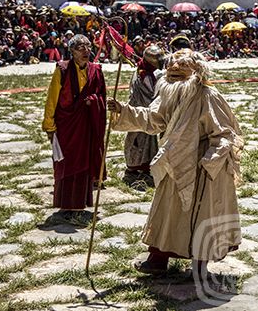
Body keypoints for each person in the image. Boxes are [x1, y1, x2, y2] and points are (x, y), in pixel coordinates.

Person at [108, 48, 243, 279]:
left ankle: (200, 264)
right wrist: (123, 111)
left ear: (196, 71)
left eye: (181, 66)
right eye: (172, 65)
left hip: (203, 163)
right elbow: (153, 120)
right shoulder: (169, 93)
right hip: (175, 158)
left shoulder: (208, 96)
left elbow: (225, 134)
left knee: (202, 213)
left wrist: (209, 161)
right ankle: (158, 258)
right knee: (167, 209)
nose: (173, 69)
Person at [42, 34, 107, 224]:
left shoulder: (96, 70)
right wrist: (49, 124)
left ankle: (80, 204)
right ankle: (65, 205)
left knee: (84, 164)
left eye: (88, 47)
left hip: (86, 124)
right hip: (66, 125)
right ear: (72, 51)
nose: (86, 51)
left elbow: (101, 95)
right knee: (66, 163)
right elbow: (52, 98)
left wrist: (95, 102)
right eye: (80, 48)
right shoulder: (62, 69)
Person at [122, 44, 165, 191]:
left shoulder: (148, 72)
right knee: (138, 140)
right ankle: (134, 169)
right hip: (140, 111)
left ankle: (145, 167)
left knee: (148, 140)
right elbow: (150, 95)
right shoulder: (144, 74)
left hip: (144, 113)